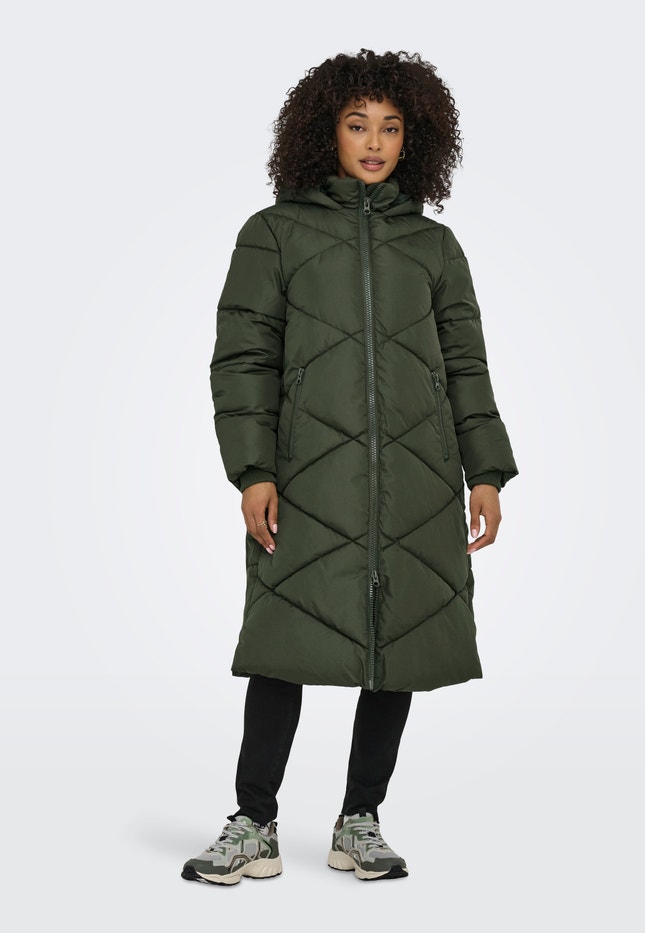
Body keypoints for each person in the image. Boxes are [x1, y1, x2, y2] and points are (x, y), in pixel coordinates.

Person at [182, 48, 519, 886]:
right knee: (283, 640)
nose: (374, 142)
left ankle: (360, 818)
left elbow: (466, 366)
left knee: (398, 642)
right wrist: (253, 470)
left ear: (416, 138)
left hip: (417, 480)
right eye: (357, 124)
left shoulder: (434, 247)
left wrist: (485, 469)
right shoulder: (274, 233)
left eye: (391, 127)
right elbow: (243, 359)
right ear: (322, 131)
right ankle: (253, 821)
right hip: (307, 478)